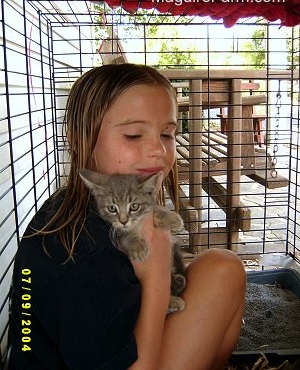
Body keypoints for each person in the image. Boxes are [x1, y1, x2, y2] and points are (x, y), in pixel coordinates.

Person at [8, 63, 246, 370]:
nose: (159, 150)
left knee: (221, 268)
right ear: (79, 138)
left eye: (167, 134)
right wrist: (155, 275)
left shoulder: (86, 202)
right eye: (133, 135)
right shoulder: (81, 255)